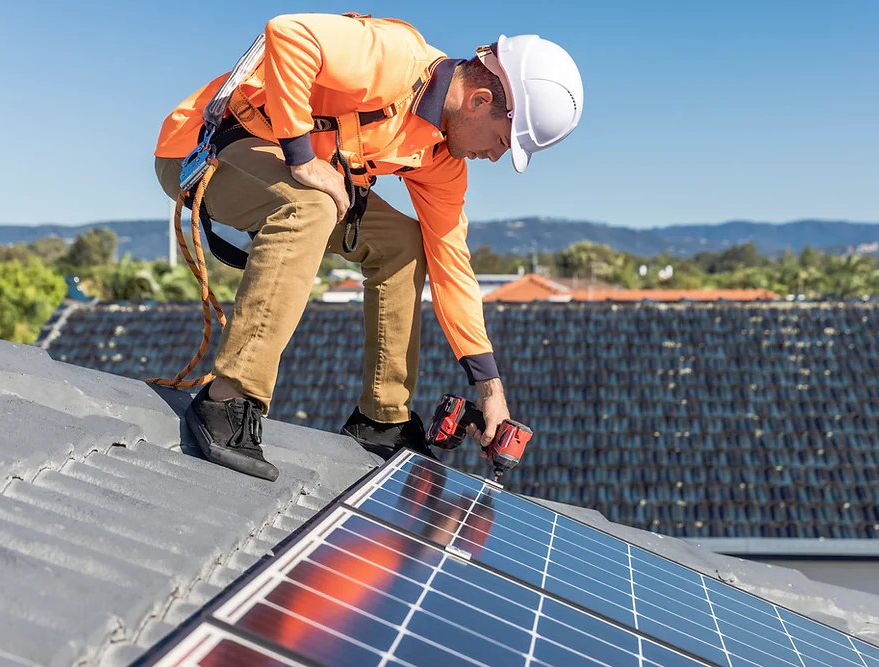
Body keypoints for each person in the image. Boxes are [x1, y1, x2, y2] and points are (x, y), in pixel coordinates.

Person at [153, 12, 583, 481]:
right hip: (203, 147)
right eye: (503, 140)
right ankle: (228, 399)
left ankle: (383, 420)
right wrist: (302, 159)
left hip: (296, 177)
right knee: (311, 205)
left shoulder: (439, 158)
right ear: (480, 101)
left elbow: (452, 266)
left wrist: (489, 387)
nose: (497, 156)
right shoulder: (397, 58)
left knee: (403, 243)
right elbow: (288, 34)